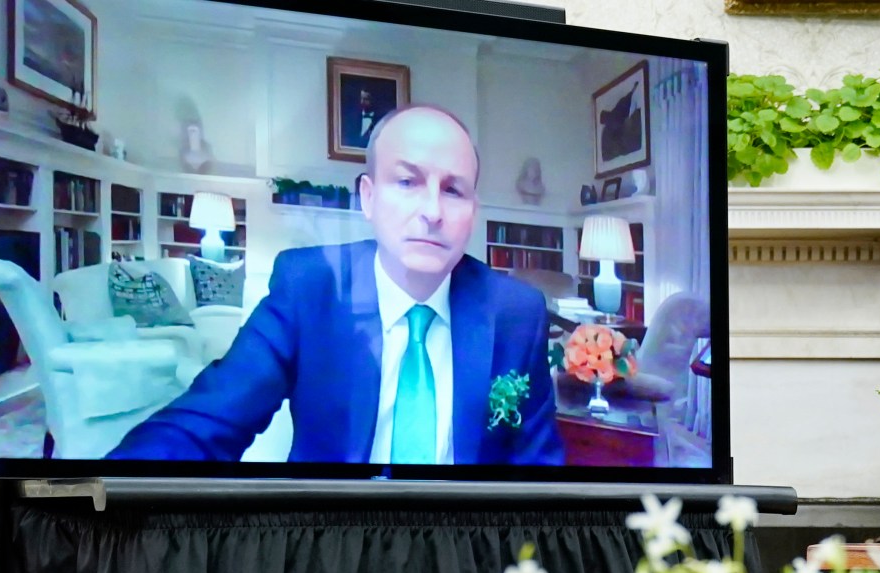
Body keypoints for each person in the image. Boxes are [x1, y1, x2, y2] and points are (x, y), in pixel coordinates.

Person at [110, 104, 565, 468]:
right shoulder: (310, 288)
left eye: (453, 190)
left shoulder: (516, 313)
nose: (432, 210)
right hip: (333, 549)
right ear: (368, 197)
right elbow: (208, 420)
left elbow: (538, 470)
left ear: (472, 209)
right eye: (407, 181)